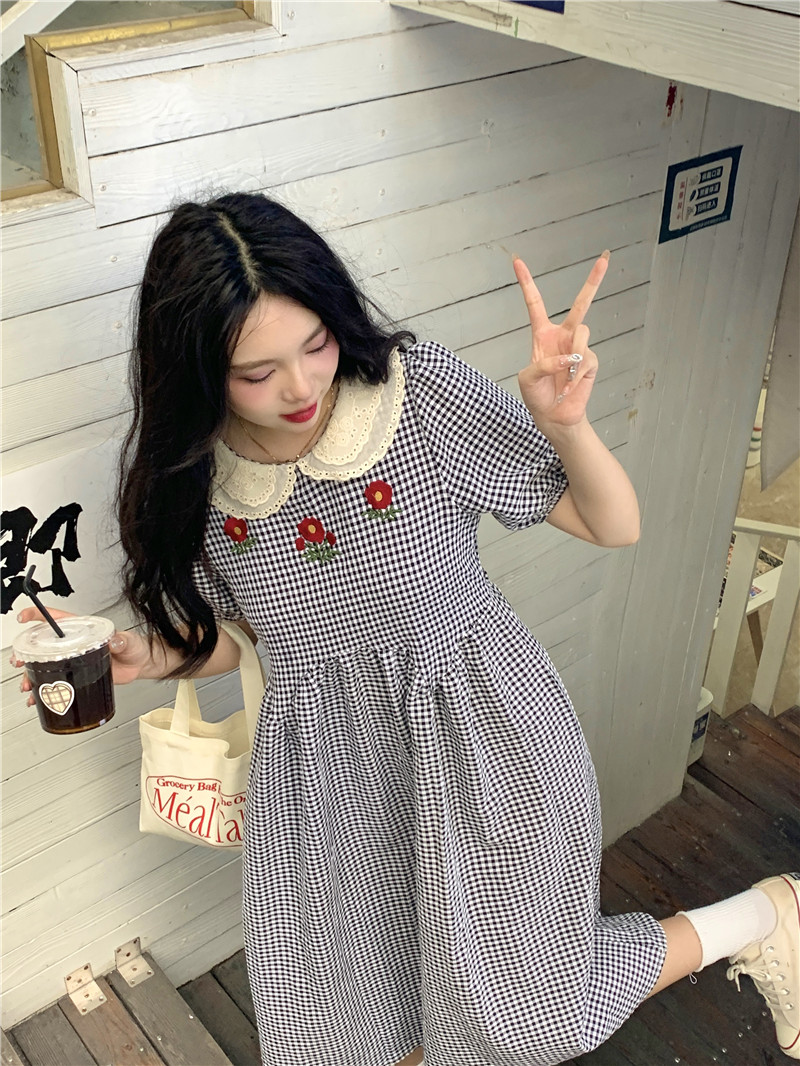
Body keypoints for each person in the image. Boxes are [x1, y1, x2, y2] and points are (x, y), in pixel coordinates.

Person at [15, 193, 798, 1066]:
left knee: (526, 1012)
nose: (301, 386)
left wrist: (565, 426)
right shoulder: (198, 478)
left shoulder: (413, 397)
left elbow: (612, 524)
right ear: (198, 371)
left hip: (484, 739)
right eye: (257, 372)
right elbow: (250, 641)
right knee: (362, 1022)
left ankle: (763, 916)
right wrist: (149, 657)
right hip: (327, 781)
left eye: (316, 343)